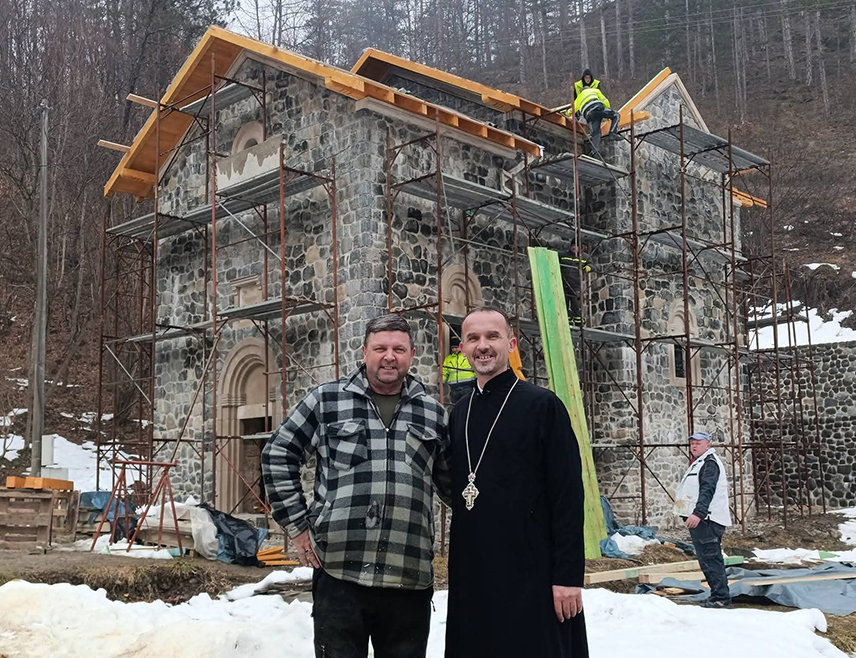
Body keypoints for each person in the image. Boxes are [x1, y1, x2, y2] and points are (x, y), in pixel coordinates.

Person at [262, 314, 450, 658]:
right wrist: (298, 527)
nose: (389, 356)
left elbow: (456, 485)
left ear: (412, 355)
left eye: (398, 348)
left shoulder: (433, 413)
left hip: (408, 577)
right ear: (364, 352)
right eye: (380, 348)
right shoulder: (326, 401)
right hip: (339, 573)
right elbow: (278, 453)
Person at [445, 306, 589, 658]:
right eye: (473, 338)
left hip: (532, 573)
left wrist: (568, 577)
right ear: (462, 349)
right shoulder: (460, 412)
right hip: (474, 573)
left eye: (492, 336)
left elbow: (568, 495)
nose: (483, 346)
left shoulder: (543, 406)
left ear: (510, 344)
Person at [673, 430, 733, 609]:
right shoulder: (700, 463)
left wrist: (698, 513)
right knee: (708, 559)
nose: (694, 445)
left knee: (711, 558)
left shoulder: (709, 463)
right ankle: (717, 595)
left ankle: (720, 598)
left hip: (707, 520)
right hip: (703, 519)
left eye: (698, 442)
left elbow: (707, 490)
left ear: (708, 444)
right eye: (692, 442)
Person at [572, 69, 620, 156]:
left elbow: (572, 109)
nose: (587, 79)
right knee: (616, 115)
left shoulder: (579, 97)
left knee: (595, 133)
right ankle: (612, 133)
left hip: (589, 115)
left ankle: (595, 151)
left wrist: (571, 115)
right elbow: (605, 101)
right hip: (598, 109)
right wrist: (607, 112)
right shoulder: (595, 91)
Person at [560, 245, 592, 327]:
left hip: (575, 284)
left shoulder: (584, 257)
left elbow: (591, 264)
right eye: (572, 246)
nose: (574, 248)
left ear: (580, 248)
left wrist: (589, 267)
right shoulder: (564, 255)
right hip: (563, 282)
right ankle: (567, 320)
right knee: (564, 302)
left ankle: (578, 321)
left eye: (576, 246)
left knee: (576, 303)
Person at [442, 336, 476, 404]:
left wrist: (476, 381)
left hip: (467, 386)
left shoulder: (467, 356)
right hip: (454, 388)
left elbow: (475, 369)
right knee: (456, 408)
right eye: (452, 348)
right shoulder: (448, 359)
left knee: (467, 405)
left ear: (461, 346)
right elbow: (444, 371)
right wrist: (441, 381)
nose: (454, 349)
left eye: (456, 347)